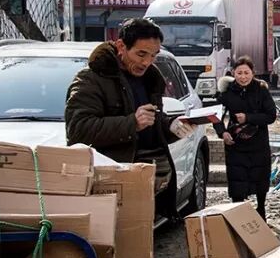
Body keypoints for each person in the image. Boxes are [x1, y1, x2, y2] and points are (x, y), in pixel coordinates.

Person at [66, 18, 196, 219]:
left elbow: (151, 120)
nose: (146, 62)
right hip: (111, 182)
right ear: (121, 46)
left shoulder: (151, 79)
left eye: (153, 56)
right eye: (141, 54)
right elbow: (78, 129)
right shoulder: (91, 79)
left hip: (150, 180)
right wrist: (132, 123)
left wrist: (171, 126)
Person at [213, 56, 276, 220]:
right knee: (237, 183)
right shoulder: (227, 91)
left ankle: (261, 211)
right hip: (236, 144)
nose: (243, 77)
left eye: (246, 73)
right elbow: (215, 115)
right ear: (233, 73)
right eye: (239, 73)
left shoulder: (261, 90)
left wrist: (248, 118)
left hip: (258, 144)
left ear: (252, 73)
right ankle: (237, 216)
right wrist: (222, 132)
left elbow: (271, 116)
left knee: (260, 181)